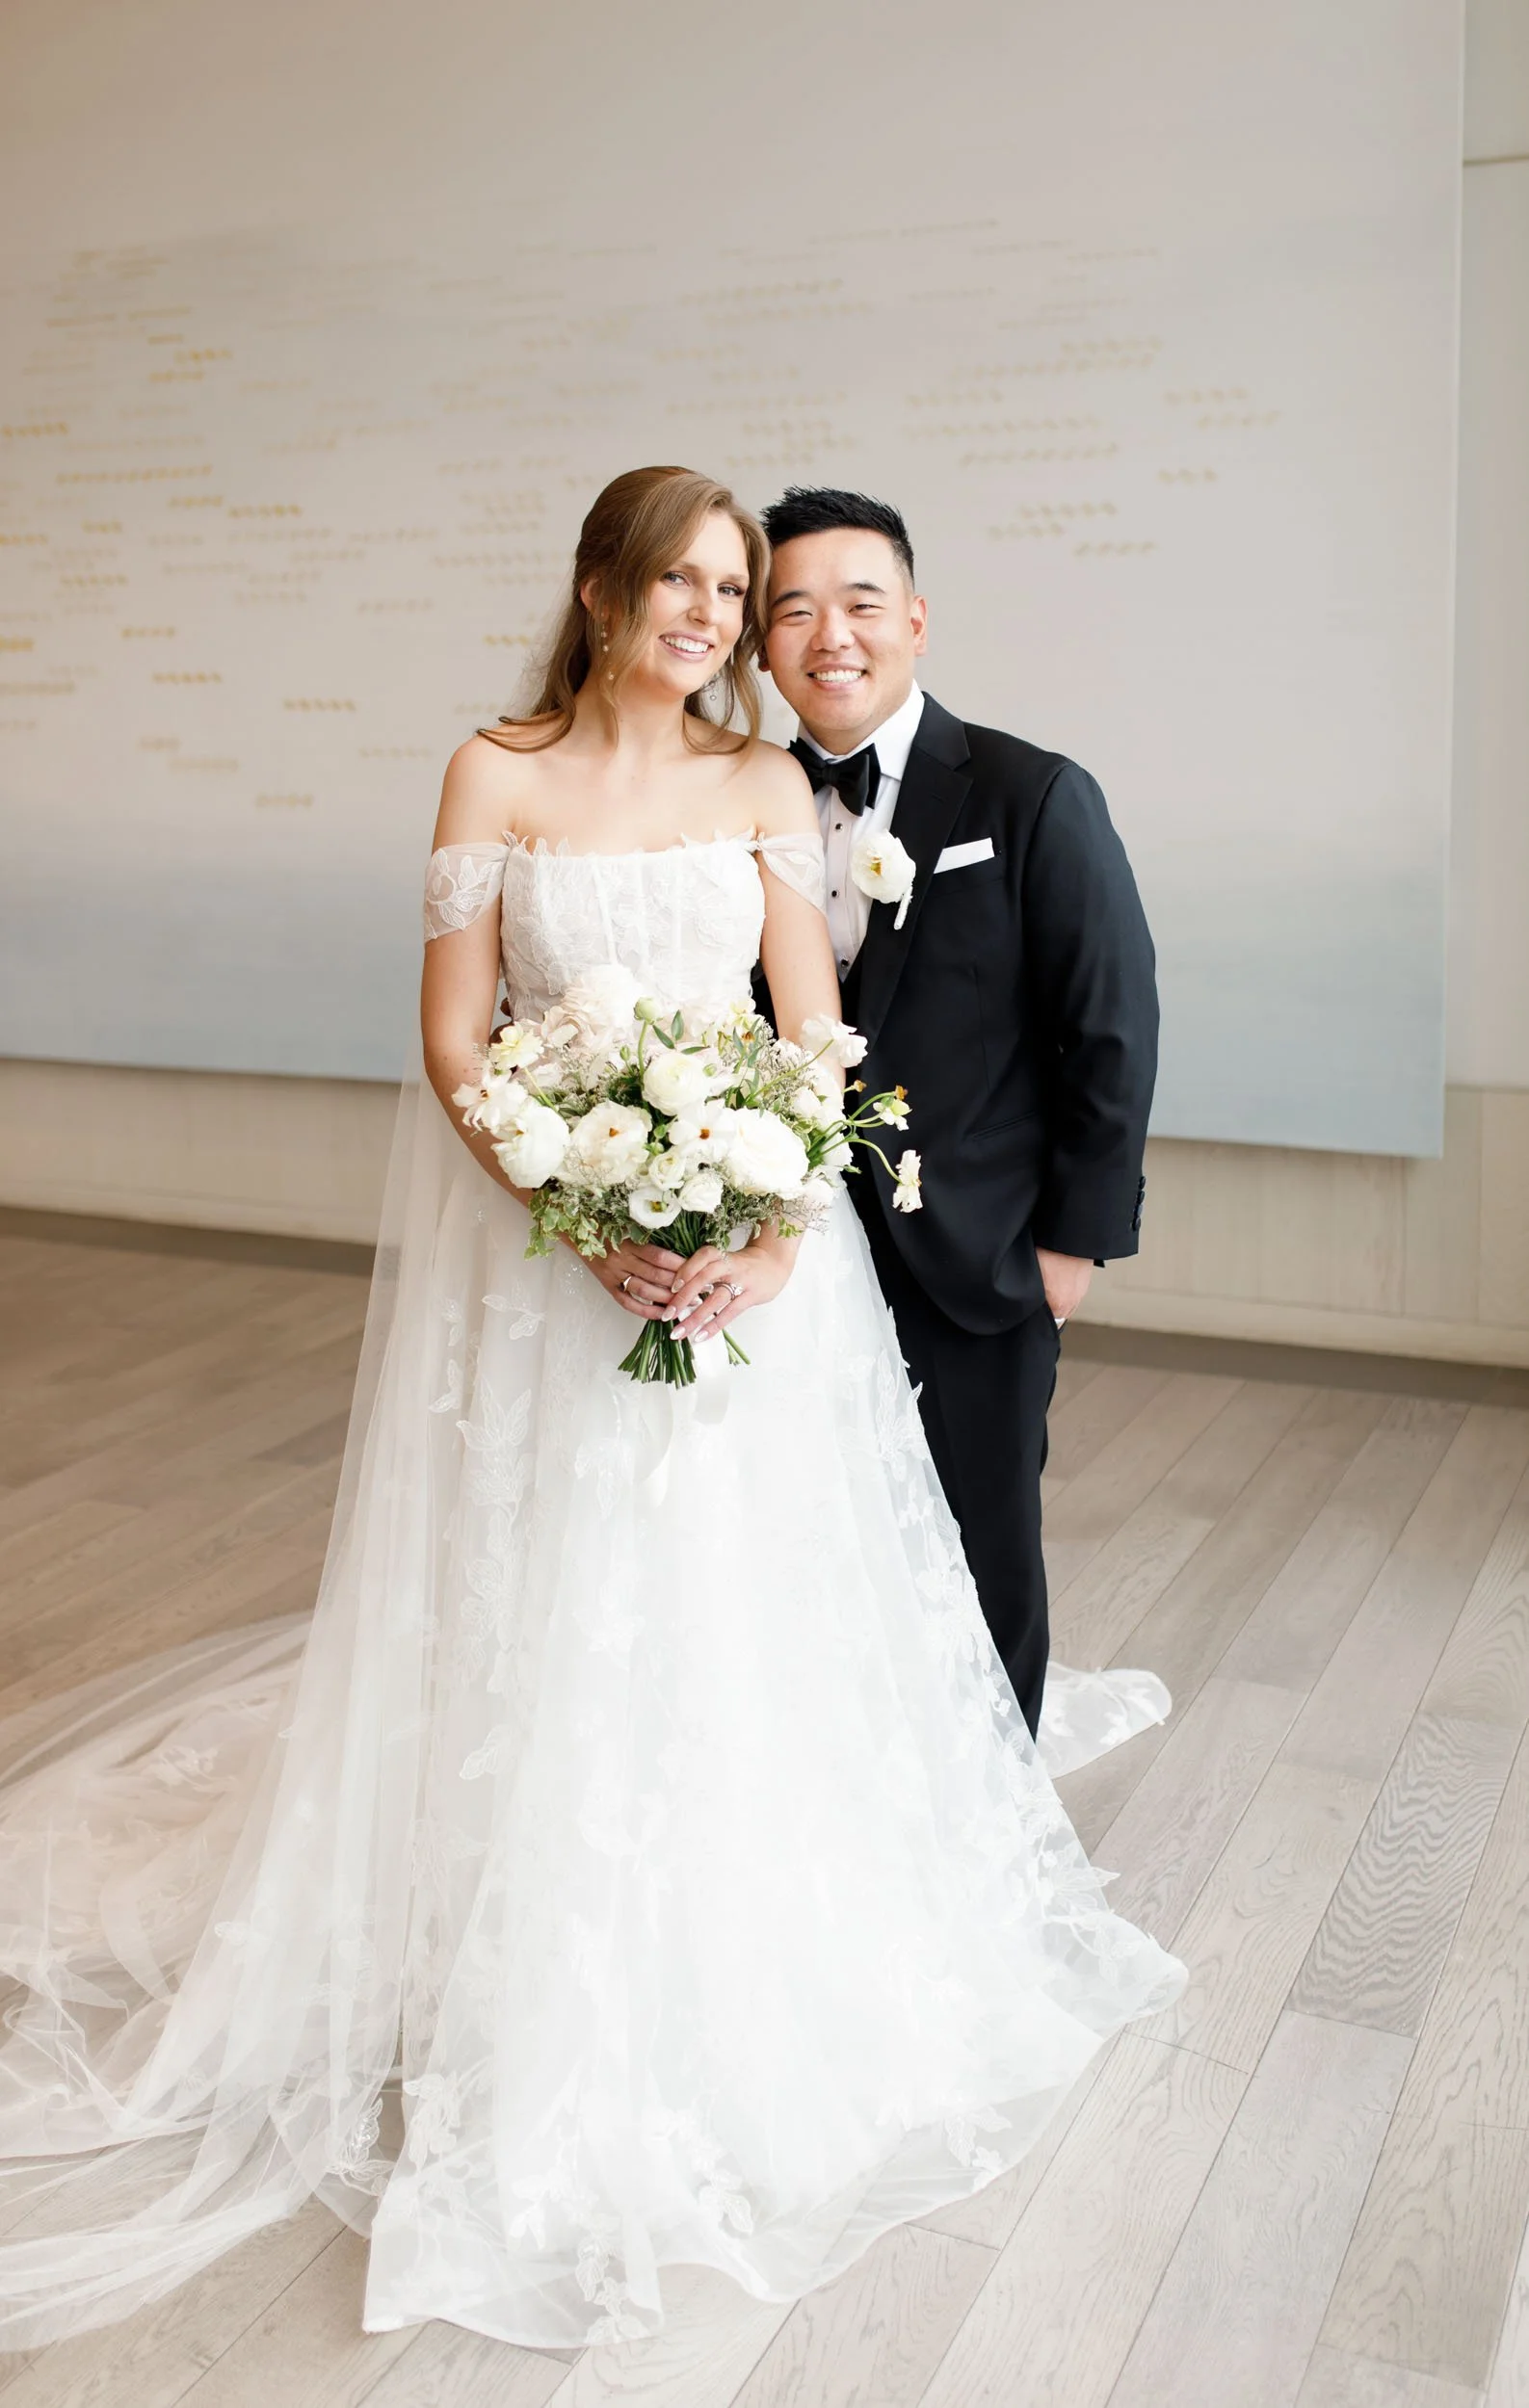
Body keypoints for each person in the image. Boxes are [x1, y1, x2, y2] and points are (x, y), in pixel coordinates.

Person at [0, 466, 1181, 2356]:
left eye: (738, 587)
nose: (718, 614)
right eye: (690, 581)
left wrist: (770, 1235)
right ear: (600, 585)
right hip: (555, 1281)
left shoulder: (760, 789)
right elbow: (456, 1038)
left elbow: (810, 1038)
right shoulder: (493, 772)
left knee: (740, 1614)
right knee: (547, 1604)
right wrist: (572, 1199)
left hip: (753, 1294)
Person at [760, 486, 1159, 1740]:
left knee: (982, 1539)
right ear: (760, 644)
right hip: (787, 1251)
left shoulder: (1025, 792)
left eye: (860, 603)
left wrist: (1070, 1246)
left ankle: (995, 1817)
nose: (832, 634)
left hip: (978, 1249)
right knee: (795, 1528)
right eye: (794, 610)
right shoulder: (731, 804)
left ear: (915, 620)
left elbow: (1107, 1024)